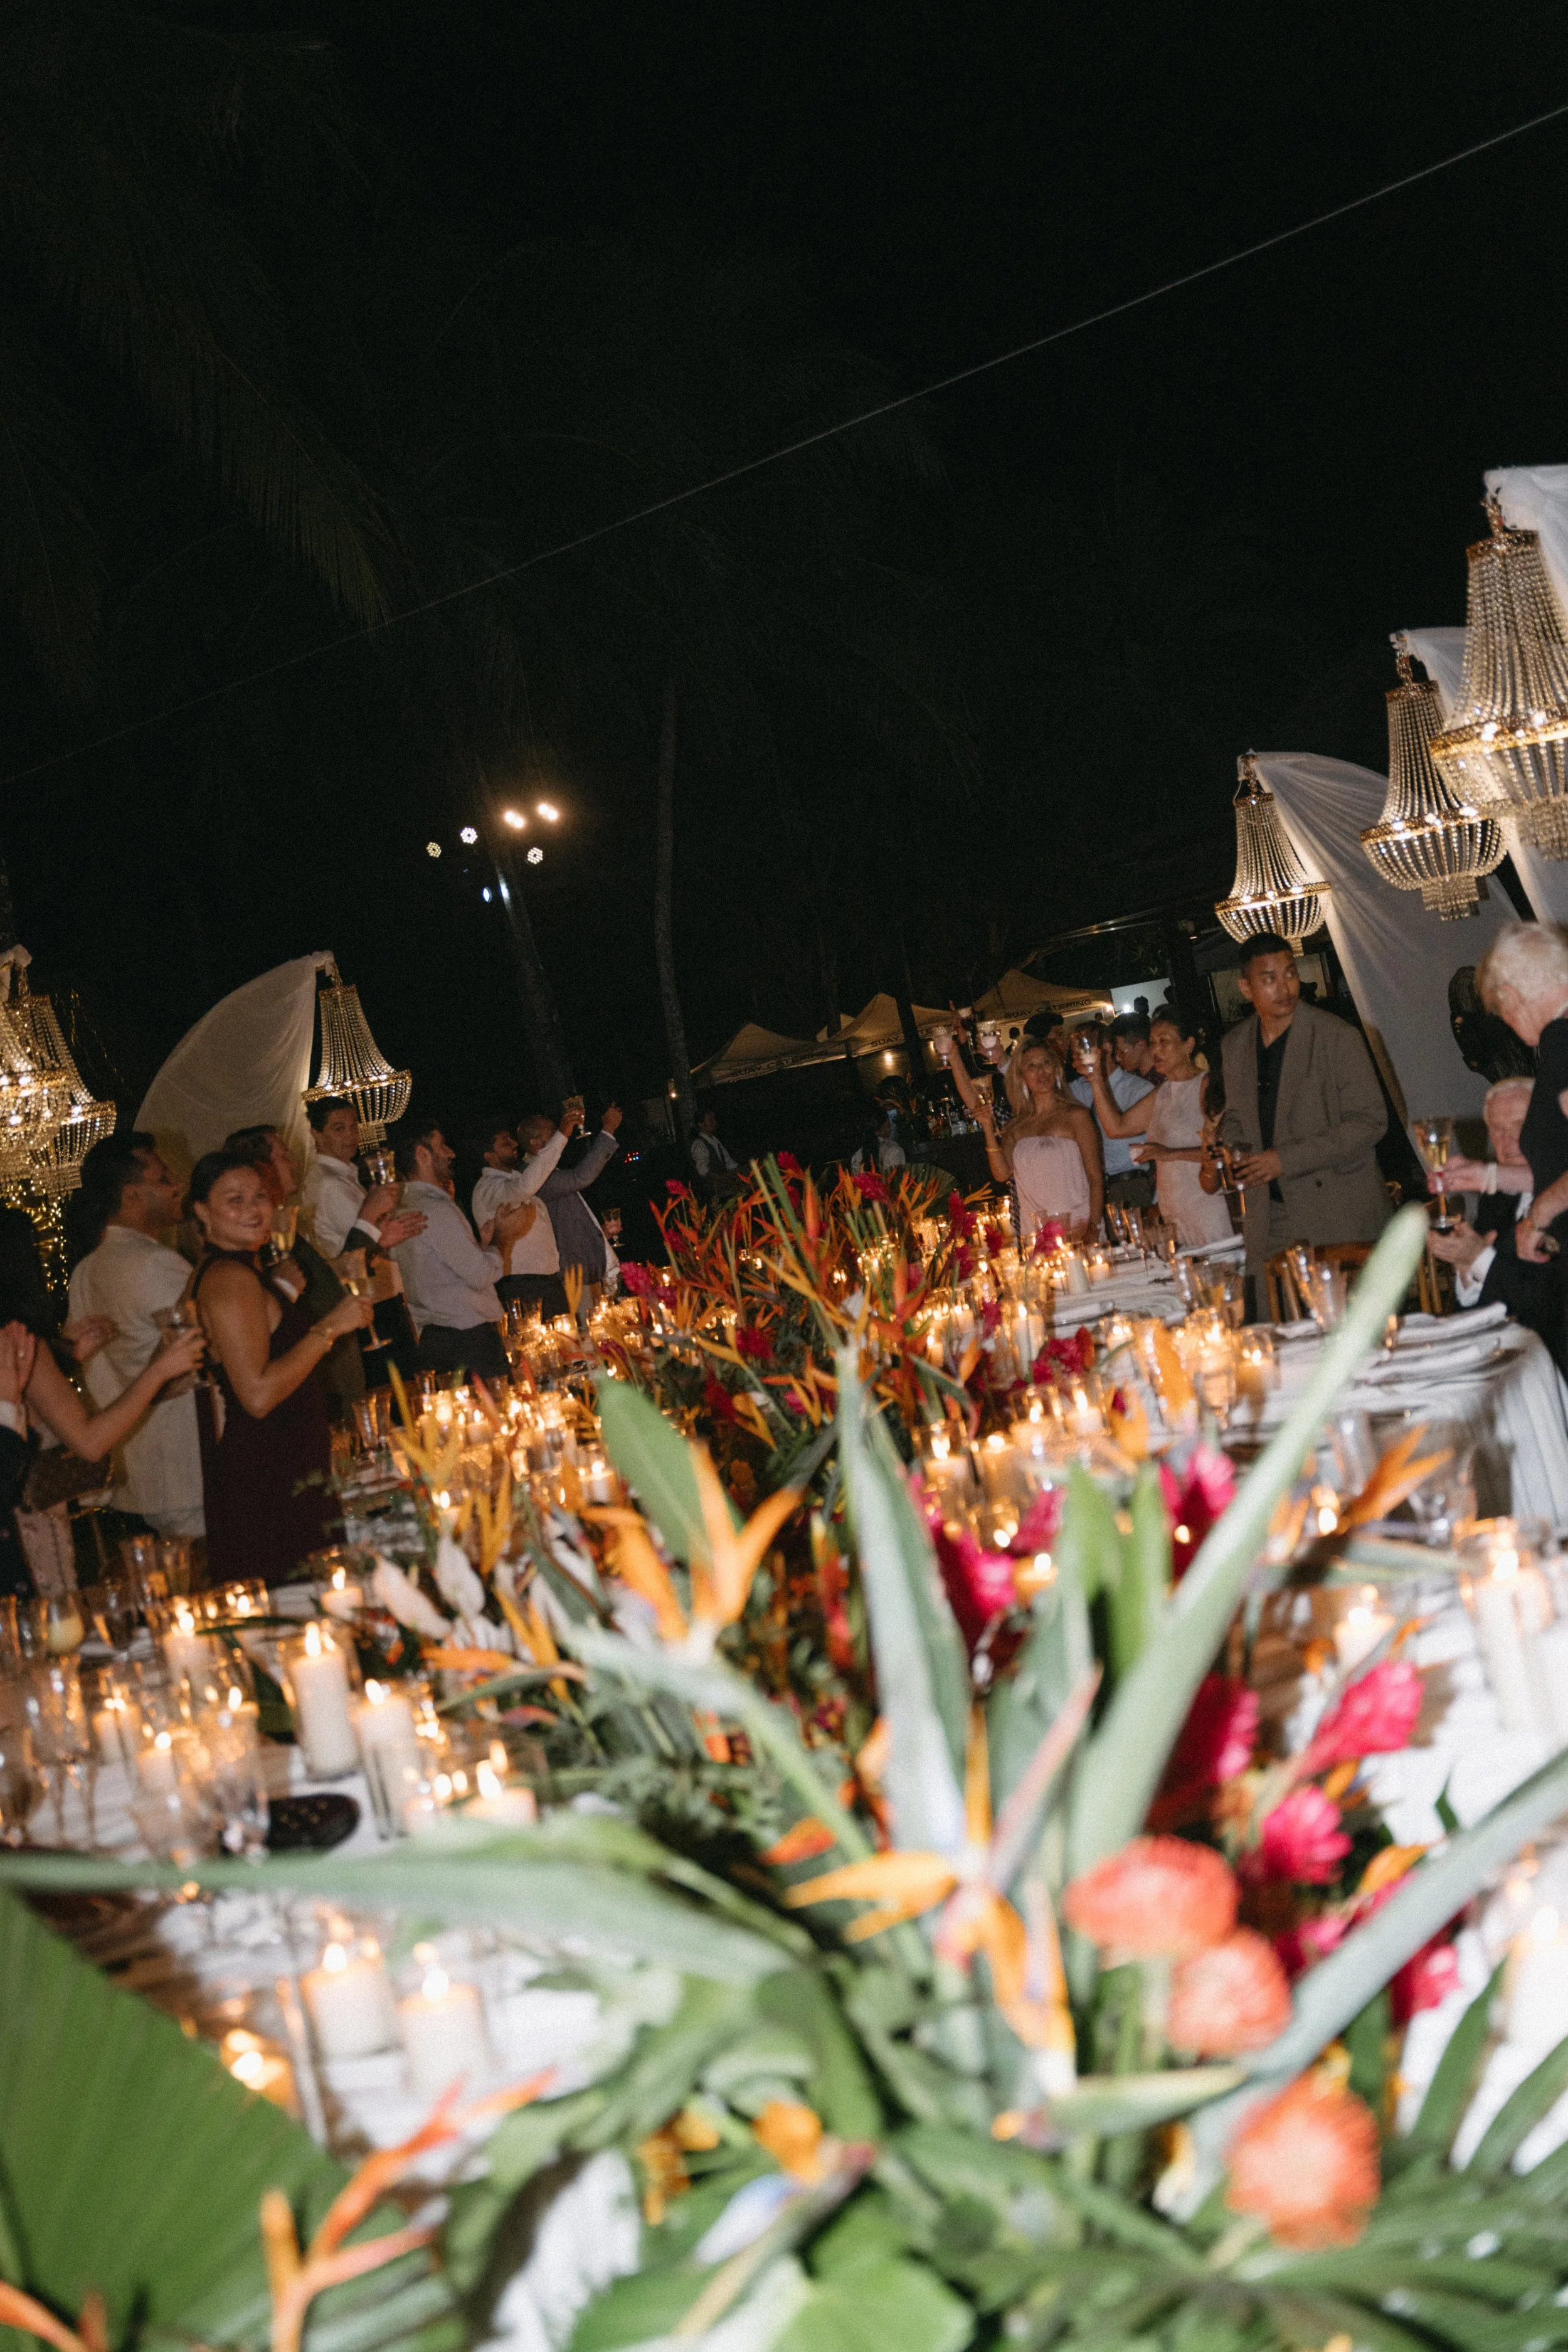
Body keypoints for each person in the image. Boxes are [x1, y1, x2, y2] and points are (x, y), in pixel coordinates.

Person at [0, 1205, 206, 1593]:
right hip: (24, 1527)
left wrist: (66, 1356)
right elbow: (90, 1443)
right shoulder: (18, 1341)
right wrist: (159, 1370)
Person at [189, 1149, 371, 1586]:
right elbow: (257, 1395)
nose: (253, 1209)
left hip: (286, 1457)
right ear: (203, 1212)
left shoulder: (237, 1270)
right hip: (270, 1468)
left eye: (259, 1196)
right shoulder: (229, 1279)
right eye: (235, 1200)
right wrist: (330, 1328)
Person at [1217, 933, 1389, 1278]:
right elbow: (1235, 1116)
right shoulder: (1235, 1045)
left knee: (1340, 1311)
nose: (1285, 988)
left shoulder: (1336, 1036)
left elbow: (1370, 1123)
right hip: (1269, 1214)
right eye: (1269, 979)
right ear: (1246, 988)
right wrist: (1233, 1148)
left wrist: (1284, 1159)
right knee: (1271, 1309)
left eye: (1291, 974)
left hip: (1336, 1211)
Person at [67, 1131, 206, 1536]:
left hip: (144, 1471)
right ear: (132, 1196)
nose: (177, 1185)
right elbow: (205, 1348)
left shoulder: (85, 1271)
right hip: (187, 1468)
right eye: (163, 1179)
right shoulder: (153, 1262)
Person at [1446, 925, 1568, 1275]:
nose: (1508, 1025)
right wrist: (1489, 1176)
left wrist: (1539, 1215)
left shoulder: (1560, 1038)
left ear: (1511, 995)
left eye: (1500, 1013)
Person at [226, 1123, 369, 1409]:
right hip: (318, 1373)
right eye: (283, 1157)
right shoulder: (260, 1240)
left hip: (337, 1359)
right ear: (262, 1168)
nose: (292, 1163)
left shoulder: (286, 1226)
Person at [1426, 1078, 1562, 1359]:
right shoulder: (1498, 1197)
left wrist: (1479, 1258)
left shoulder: (1562, 1200)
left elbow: (1552, 1309)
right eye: (1498, 1129)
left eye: (1520, 1125)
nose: (1508, 1140)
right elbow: (1475, 1313)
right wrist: (1467, 1269)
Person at [389, 1118, 535, 1379]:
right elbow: (480, 1275)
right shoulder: (434, 1208)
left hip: (439, 1340)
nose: (451, 1154)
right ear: (423, 1155)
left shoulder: (405, 1206)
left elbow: (440, 1270)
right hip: (467, 1343)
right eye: (442, 1146)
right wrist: (504, 1236)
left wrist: (483, 1245)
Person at [951, 1037, 1102, 1242]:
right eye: (1032, 1066)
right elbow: (1001, 1174)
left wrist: (1094, 1226)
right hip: (1036, 1230)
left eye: (1046, 1063)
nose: (1041, 1071)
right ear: (1021, 1076)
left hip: (1078, 1226)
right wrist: (987, 1127)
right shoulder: (1016, 1127)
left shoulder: (1076, 1116)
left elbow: (1095, 1177)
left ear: (1056, 1069)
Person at [1126, 1012, 1235, 1247]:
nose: (1156, 1050)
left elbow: (1225, 1150)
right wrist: (1095, 1077)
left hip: (1206, 1204)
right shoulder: (1163, 1091)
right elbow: (1117, 1127)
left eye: (1164, 1041)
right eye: (1153, 1043)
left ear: (1189, 1044)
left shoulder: (1206, 1086)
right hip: (1173, 1208)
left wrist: (1169, 1154)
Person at [519, 1104, 623, 1303]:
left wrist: (600, 1233)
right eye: (553, 1133)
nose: (559, 1137)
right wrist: (608, 1129)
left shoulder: (546, 1172)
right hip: (572, 1278)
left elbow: (565, 1223)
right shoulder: (531, 1177)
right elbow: (581, 1177)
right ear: (535, 1143)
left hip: (584, 1271)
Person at [470, 1115, 571, 1319]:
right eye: (505, 1142)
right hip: (521, 1286)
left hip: (546, 1282)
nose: (514, 1144)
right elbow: (524, 1188)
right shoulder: (488, 1188)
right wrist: (561, 1135)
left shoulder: (514, 1181)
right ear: (489, 1156)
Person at [302, 1098, 426, 1258]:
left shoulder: (340, 1175)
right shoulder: (330, 1183)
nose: (351, 1135)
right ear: (317, 1135)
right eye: (340, 1129)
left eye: (354, 1126)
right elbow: (375, 1233)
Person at [1068, 1021, 1155, 1208]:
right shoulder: (1076, 1090)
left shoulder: (1138, 1089)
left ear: (1106, 1049)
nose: (1076, 1060)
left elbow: (1119, 1130)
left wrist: (1096, 1079)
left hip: (1128, 1185)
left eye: (1082, 1051)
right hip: (1090, 1188)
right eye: (1074, 1054)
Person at [689, 1107, 740, 1198]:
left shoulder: (715, 1141)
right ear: (701, 1124)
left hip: (724, 1188)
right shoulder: (699, 1144)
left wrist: (742, 1171)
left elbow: (729, 1163)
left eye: (714, 1119)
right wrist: (721, 1178)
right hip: (714, 1192)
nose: (714, 1123)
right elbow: (702, 1169)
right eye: (710, 1120)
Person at [1108, 1011, 1157, 1084]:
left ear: (1141, 1044)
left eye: (1121, 1052)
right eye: (1116, 1053)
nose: (1118, 1059)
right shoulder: (1131, 1078)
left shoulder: (1163, 1079)